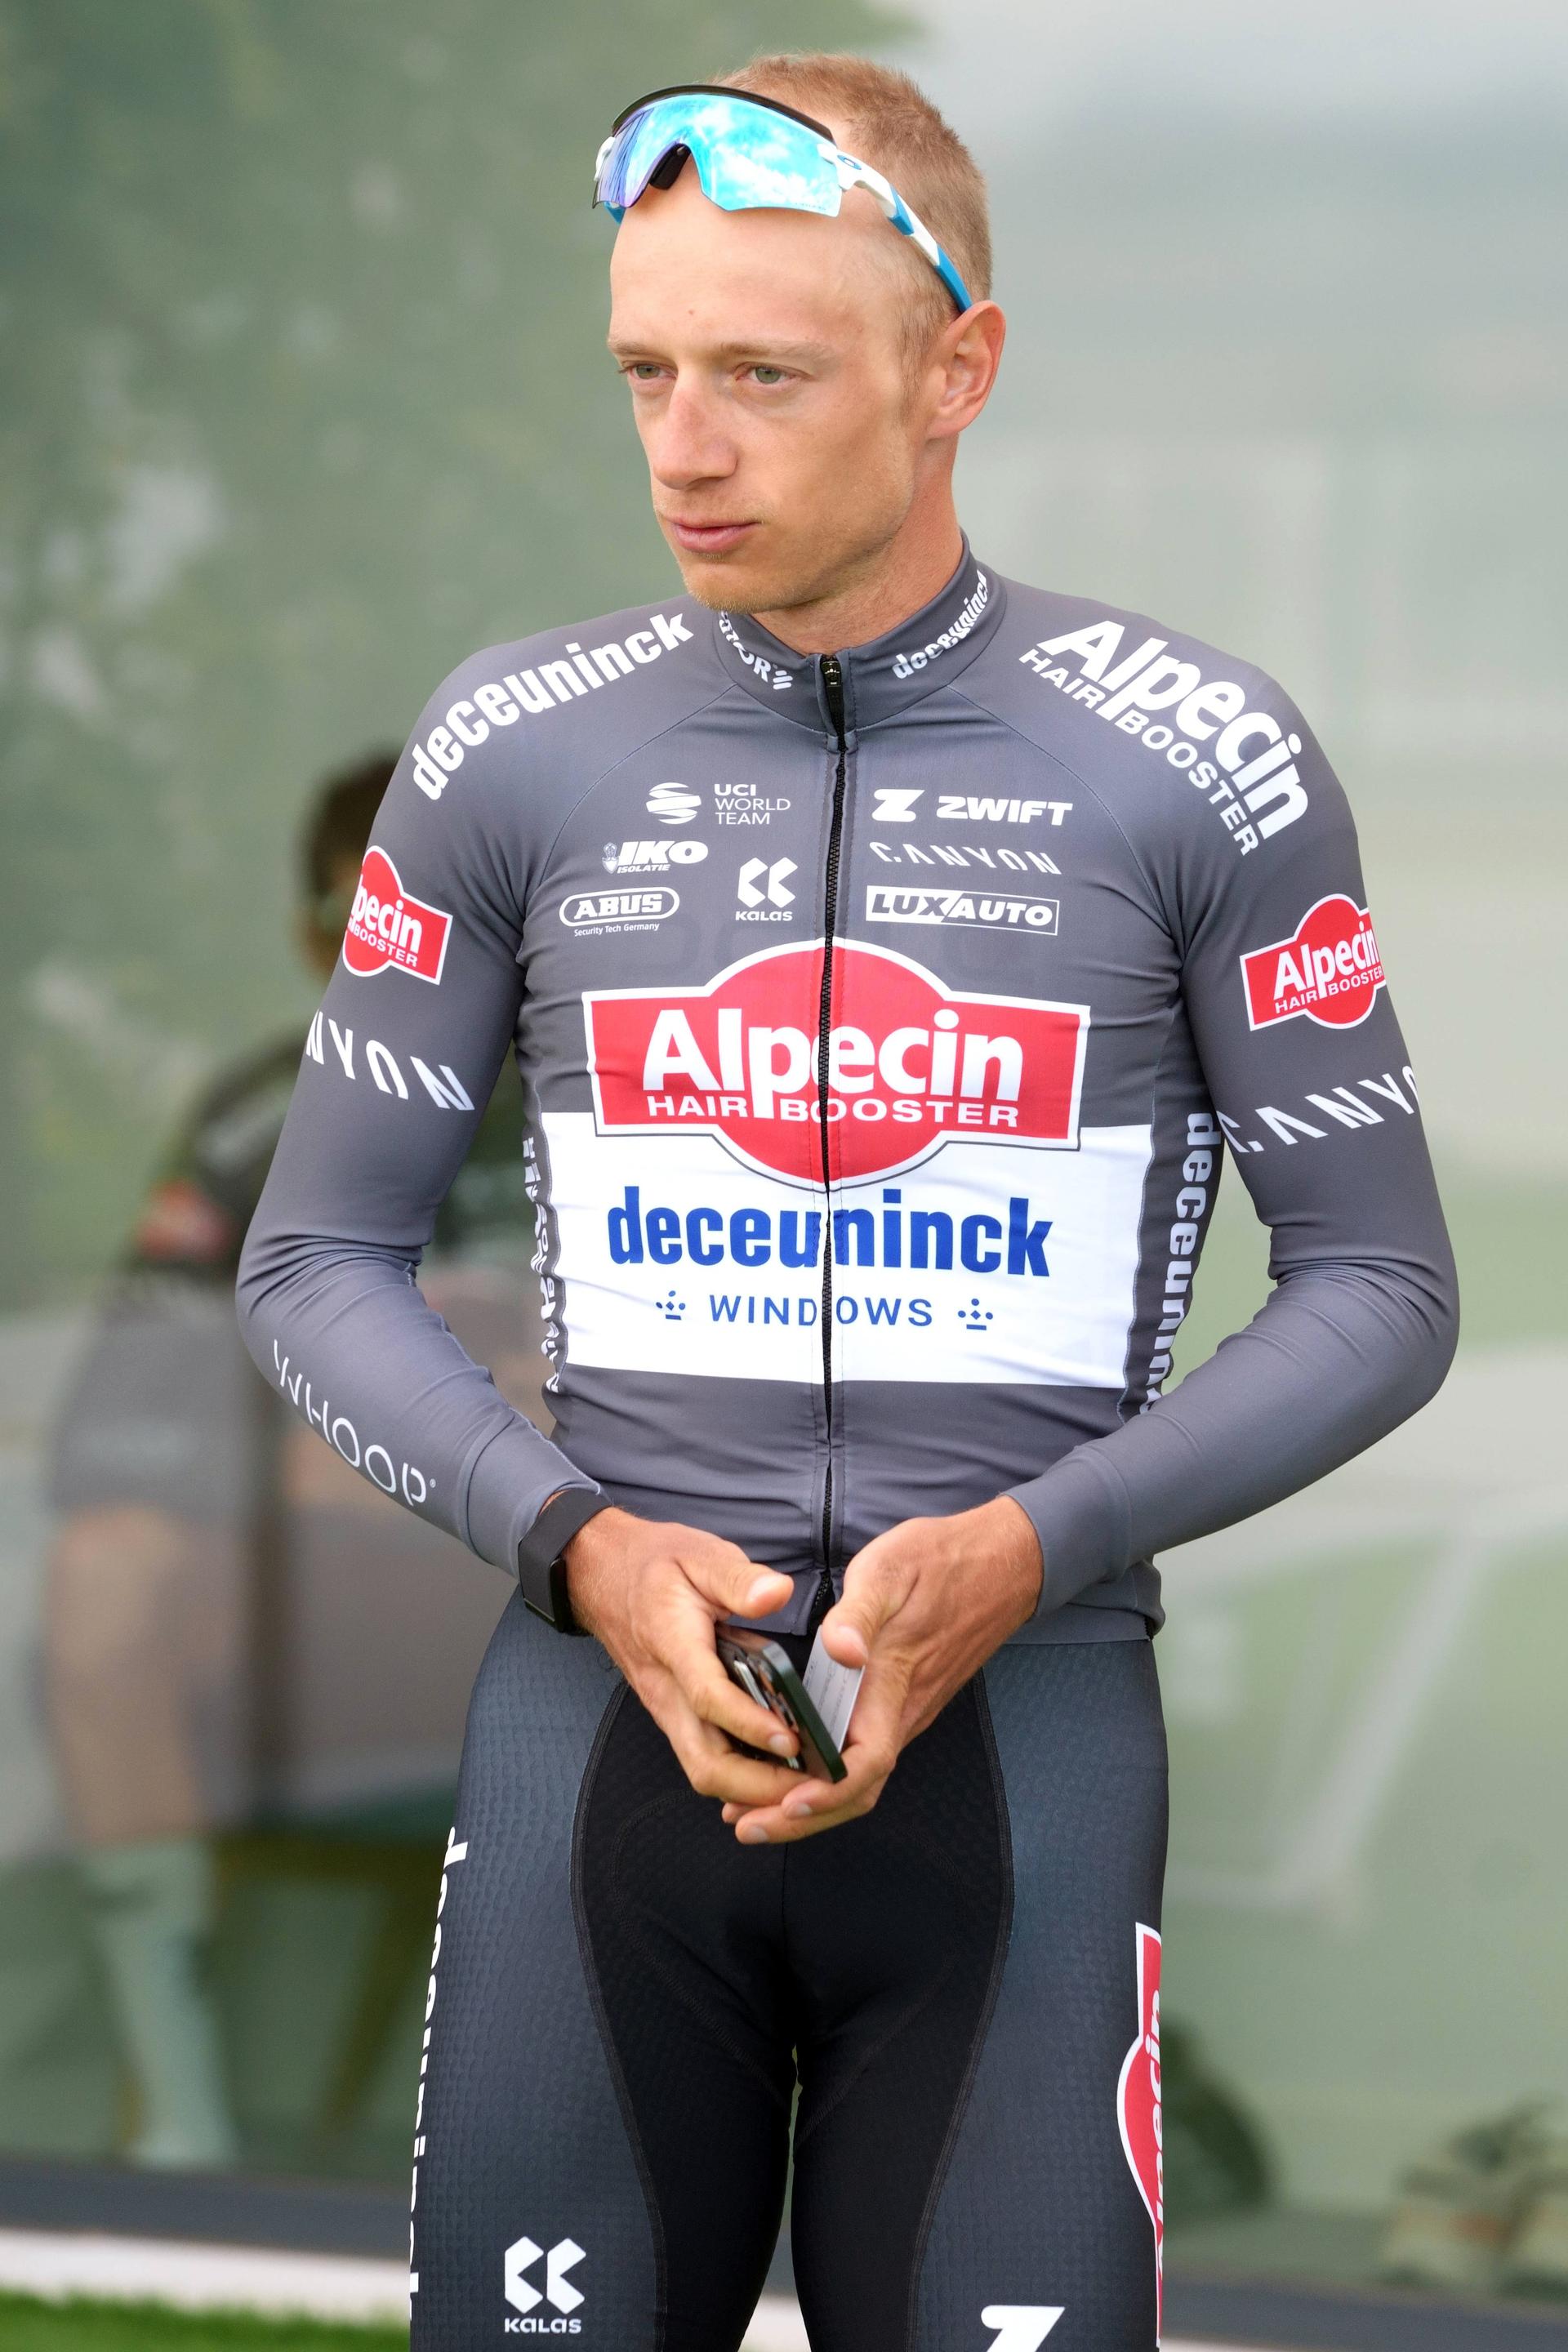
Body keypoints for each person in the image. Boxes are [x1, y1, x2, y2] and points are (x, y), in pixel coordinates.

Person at [237, 54, 1459, 2350]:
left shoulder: (1193, 758)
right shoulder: (514, 749)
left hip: (1022, 1738)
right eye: (645, 373)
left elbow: (1386, 1286)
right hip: (599, 1727)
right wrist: (574, 1541)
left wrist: (1034, 1545)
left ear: (954, 368)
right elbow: (314, 1263)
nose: (683, 446)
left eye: (761, 377)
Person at [47, 751, 541, 2168]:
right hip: (307, 1628)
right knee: (105, 1574)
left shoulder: (630, 1111)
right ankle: (180, 2138)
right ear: (305, 938)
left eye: (437, 920)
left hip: (564, 1605)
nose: (395, 962)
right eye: (353, 926)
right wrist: (335, 1431)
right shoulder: (251, 1122)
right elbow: (116, 1428)